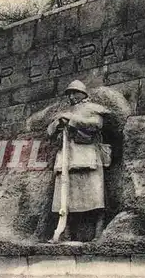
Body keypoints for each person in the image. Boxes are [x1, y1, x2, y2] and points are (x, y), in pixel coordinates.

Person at [47, 80, 112, 242]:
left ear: (83, 93)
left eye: (75, 92)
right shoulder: (64, 112)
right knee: (65, 195)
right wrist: (58, 124)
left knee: (95, 194)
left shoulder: (92, 108)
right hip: (66, 158)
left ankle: (99, 231)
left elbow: (96, 124)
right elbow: (49, 132)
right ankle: (65, 232)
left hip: (87, 154)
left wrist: (72, 120)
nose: (71, 96)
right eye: (69, 93)